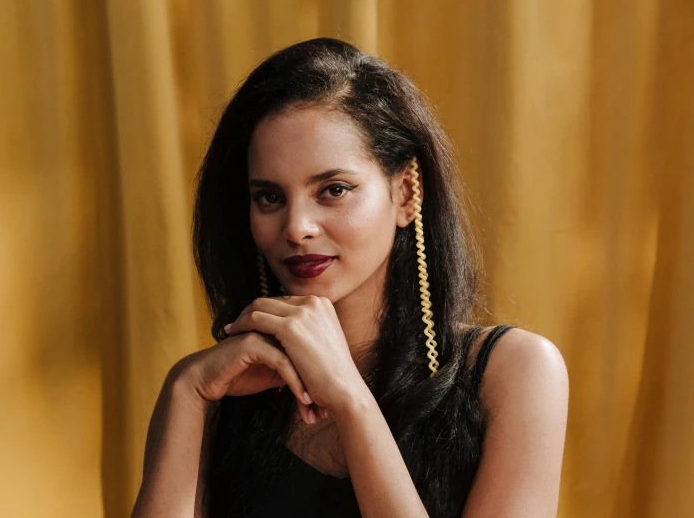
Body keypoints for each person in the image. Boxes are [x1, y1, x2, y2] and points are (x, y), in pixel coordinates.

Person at [131, 37, 569, 518]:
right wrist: (186, 391)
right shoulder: (214, 392)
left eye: (333, 190)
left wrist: (349, 399)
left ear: (405, 193)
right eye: (270, 198)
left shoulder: (514, 373)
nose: (297, 227)